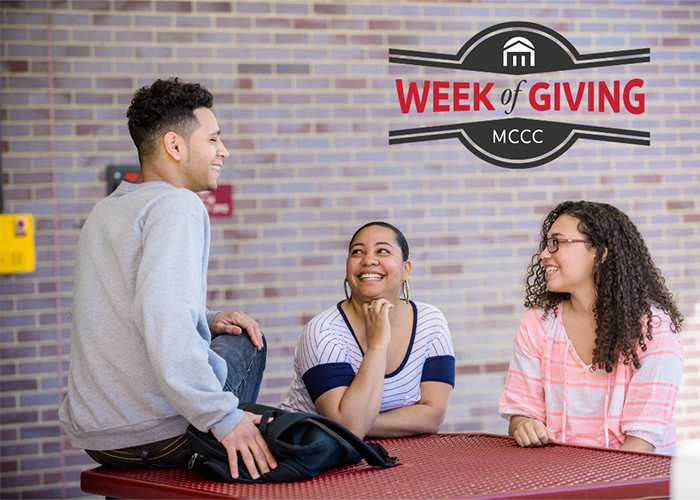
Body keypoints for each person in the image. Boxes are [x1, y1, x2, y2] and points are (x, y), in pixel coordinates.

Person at [59, 78, 277, 480]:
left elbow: (119, 307)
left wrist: (207, 317)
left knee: (217, 336)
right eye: (213, 140)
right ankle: (218, 456)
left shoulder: (106, 210)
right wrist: (224, 419)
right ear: (175, 146)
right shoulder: (178, 205)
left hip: (100, 438)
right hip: (162, 436)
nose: (223, 151)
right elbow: (165, 317)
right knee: (250, 342)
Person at [499, 200, 684, 453]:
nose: (543, 254)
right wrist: (526, 425)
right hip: (560, 479)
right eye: (546, 243)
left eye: (557, 242)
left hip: (638, 485)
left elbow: (642, 443)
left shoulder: (654, 329)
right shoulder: (537, 323)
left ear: (599, 253)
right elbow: (521, 411)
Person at [280, 221, 455, 439]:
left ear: (405, 270)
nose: (368, 260)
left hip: (392, 458)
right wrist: (378, 344)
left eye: (382, 250)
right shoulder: (322, 332)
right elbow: (349, 430)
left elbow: (433, 417)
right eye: (357, 252)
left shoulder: (431, 322)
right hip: (310, 457)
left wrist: (359, 421)